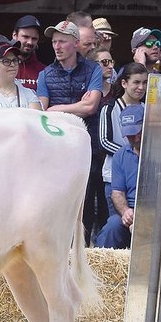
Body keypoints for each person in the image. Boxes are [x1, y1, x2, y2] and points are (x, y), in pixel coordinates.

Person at [37, 19, 104, 236]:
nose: (57, 46)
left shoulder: (93, 69)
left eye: (62, 42)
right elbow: (42, 113)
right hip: (56, 147)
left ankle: (83, 251)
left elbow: (92, 106)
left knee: (86, 200)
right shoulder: (45, 74)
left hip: (88, 145)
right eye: (54, 42)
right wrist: (78, 106)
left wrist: (59, 108)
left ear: (76, 43)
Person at [97, 62, 148, 211]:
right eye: (136, 82)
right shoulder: (110, 107)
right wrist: (129, 154)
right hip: (113, 178)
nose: (141, 87)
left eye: (145, 82)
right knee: (117, 224)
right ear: (124, 83)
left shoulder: (148, 109)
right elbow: (104, 141)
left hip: (142, 179)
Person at [95, 104, 144, 249]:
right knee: (112, 225)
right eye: (129, 134)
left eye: (137, 132)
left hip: (154, 213)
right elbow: (117, 193)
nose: (133, 138)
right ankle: (100, 267)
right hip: (131, 211)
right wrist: (126, 212)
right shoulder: (120, 155)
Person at [11, 15, 46, 86]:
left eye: (34, 39)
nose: (30, 42)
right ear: (15, 35)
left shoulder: (45, 71)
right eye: (25, 37)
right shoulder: (1, 66)